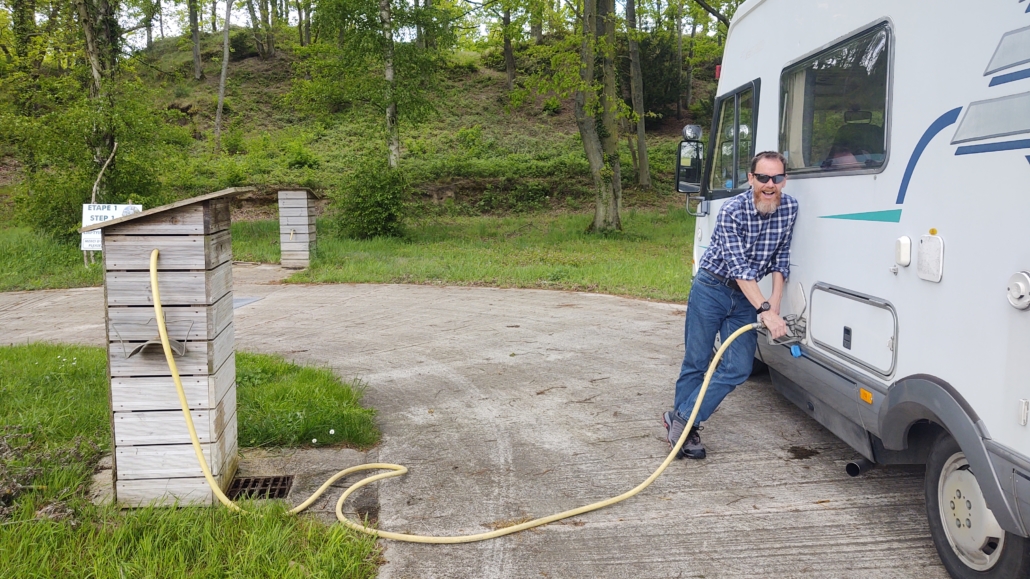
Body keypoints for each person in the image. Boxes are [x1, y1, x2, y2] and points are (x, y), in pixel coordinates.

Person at [664, 151, 799, 459]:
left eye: (776, 178)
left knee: (738, 367)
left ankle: (682, 417)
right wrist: (765, 310)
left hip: (745, 298)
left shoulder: (789, 208)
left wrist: (774, 304)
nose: (769, 184)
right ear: (750, 179)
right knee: (697, 361)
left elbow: (781, 258)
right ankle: (688, 431)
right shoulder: (731, 210)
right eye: (762, 178)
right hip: (712, 288)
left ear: (784, 180)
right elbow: (739, 268)